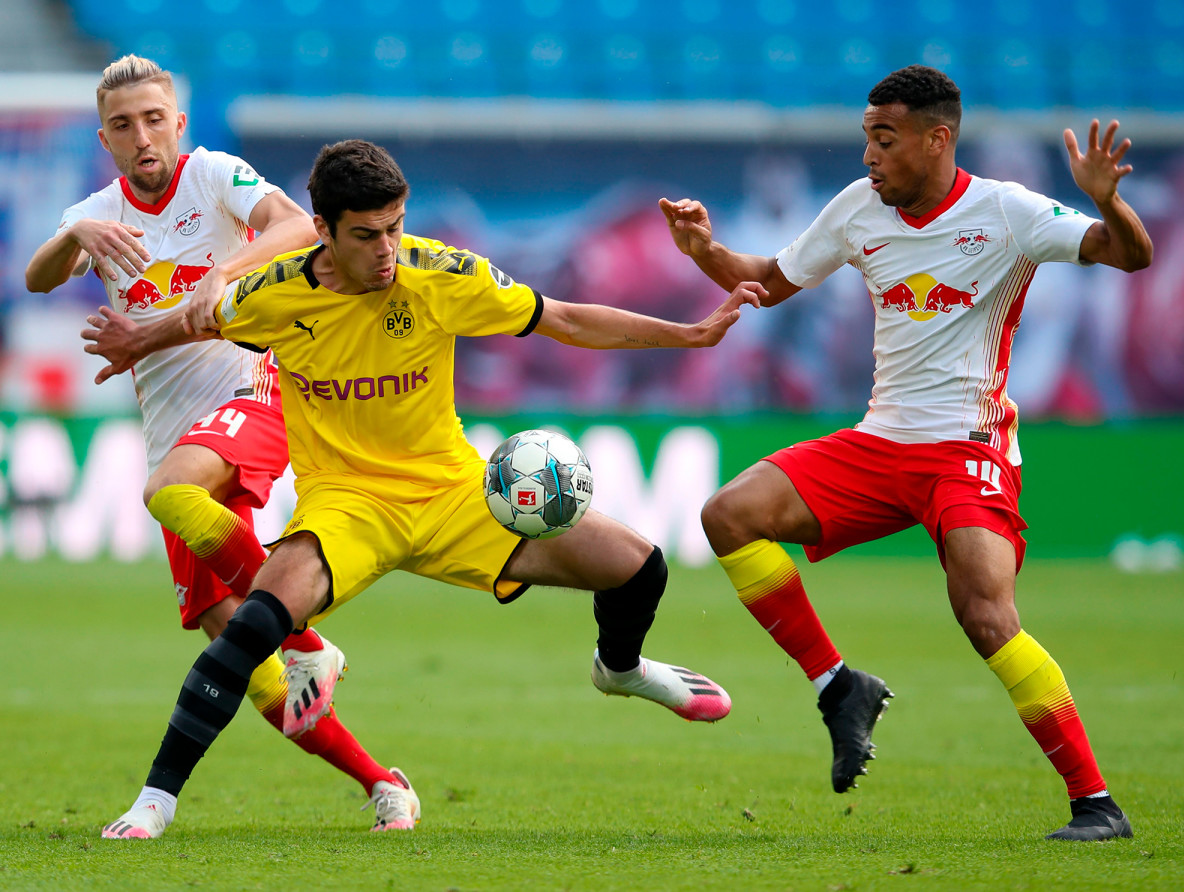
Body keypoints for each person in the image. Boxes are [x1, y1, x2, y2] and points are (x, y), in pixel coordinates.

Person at [90, 138, 752, 840]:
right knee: (251, 628)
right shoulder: (273, 294)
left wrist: (690, 335)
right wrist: (137, 341)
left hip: (453, 495)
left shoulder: (440, 274)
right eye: (366, 235)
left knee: (639, 566)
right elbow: (198, 318)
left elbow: (564, 317)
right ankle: (155, 802)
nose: (387, 250)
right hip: (347, 506)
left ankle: (619, 668)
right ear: (323, 231)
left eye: (395, 227)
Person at [659, 65, 1151, 842]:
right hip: (881, 442)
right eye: (866, 138)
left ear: (937, 139)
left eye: (884, 140)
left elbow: (1131, 255)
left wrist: (1107, 200)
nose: (869, 156)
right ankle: (838, 688)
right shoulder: (859, 208)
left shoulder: (1008, 212)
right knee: (729, 515)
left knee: (985, 614)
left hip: (966, 447)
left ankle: (1096, 804)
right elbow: (768, 282)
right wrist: (704, 250)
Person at [25, 56, 419, 835]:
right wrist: (74, 233)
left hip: (253, 393)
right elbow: (41, 279)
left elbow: (296, 225)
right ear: (105, 140)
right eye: (123, 126)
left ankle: (300, 651)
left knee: (172, 496)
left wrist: (223, 274)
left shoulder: (213, 175)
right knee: (239, 646)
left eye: (154, 120)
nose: (142, 137)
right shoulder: (97, 213)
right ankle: (382, 783)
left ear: (177, 123)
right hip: (174, 439)